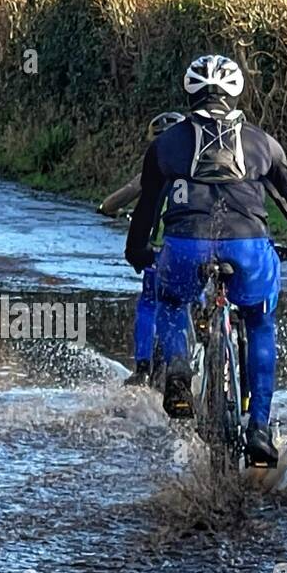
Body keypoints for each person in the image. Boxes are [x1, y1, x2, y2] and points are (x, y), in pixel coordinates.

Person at [124, 54, 287, 468]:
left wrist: (138, 250)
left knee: (173, 301)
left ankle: (178, 374)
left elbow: (146, 208)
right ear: (236, 93)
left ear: (189, 92)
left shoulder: (165, 144)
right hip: (249, 247)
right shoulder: (262, 142)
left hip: (185, 244)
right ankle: (260, 430)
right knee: (259, 320)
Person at [98, 111, 185, 387]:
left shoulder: (154, 167)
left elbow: (122, 196)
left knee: (149, 302)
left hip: (161, 250)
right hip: (197, 244)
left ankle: (143, 367)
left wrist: (105, 208)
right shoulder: (198, 165)